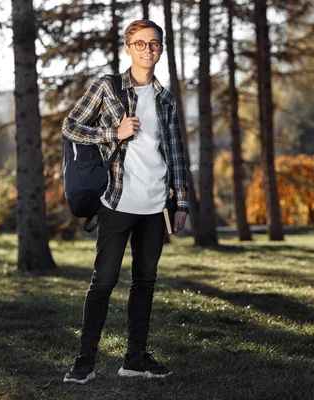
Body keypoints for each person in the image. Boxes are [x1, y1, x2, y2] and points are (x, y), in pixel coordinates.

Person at [60, 19, 189, 384]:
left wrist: (181, 203)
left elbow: (176, 153)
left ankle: (134, 360)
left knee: (145, 282)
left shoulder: (165, 98)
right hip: (116, 201)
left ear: (160, 50)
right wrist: (111, 132)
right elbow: (70, 127)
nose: (148, 50)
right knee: (103, 283)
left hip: (155, 205)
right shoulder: (108, 86)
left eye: (154, 44)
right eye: (141, 44)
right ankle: (84, 362)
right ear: (129, 48)